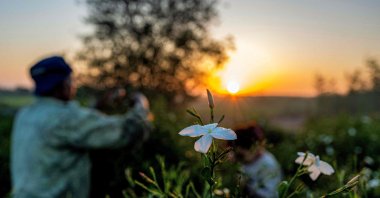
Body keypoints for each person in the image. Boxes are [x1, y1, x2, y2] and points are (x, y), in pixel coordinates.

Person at [10, 56, 151, 198]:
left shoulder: (25, 114)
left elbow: (69, 127)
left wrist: (98, 107)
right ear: (62, 84)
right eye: (71, 80)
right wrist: (141, 105)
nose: (73, 85)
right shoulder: (66, 118)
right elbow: (128, 131)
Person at [230, 123, 282, 198]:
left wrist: (247, 184)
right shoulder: (244, 159)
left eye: (242, 154)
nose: (240, 158)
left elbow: (272, 194)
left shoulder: (268, 164)